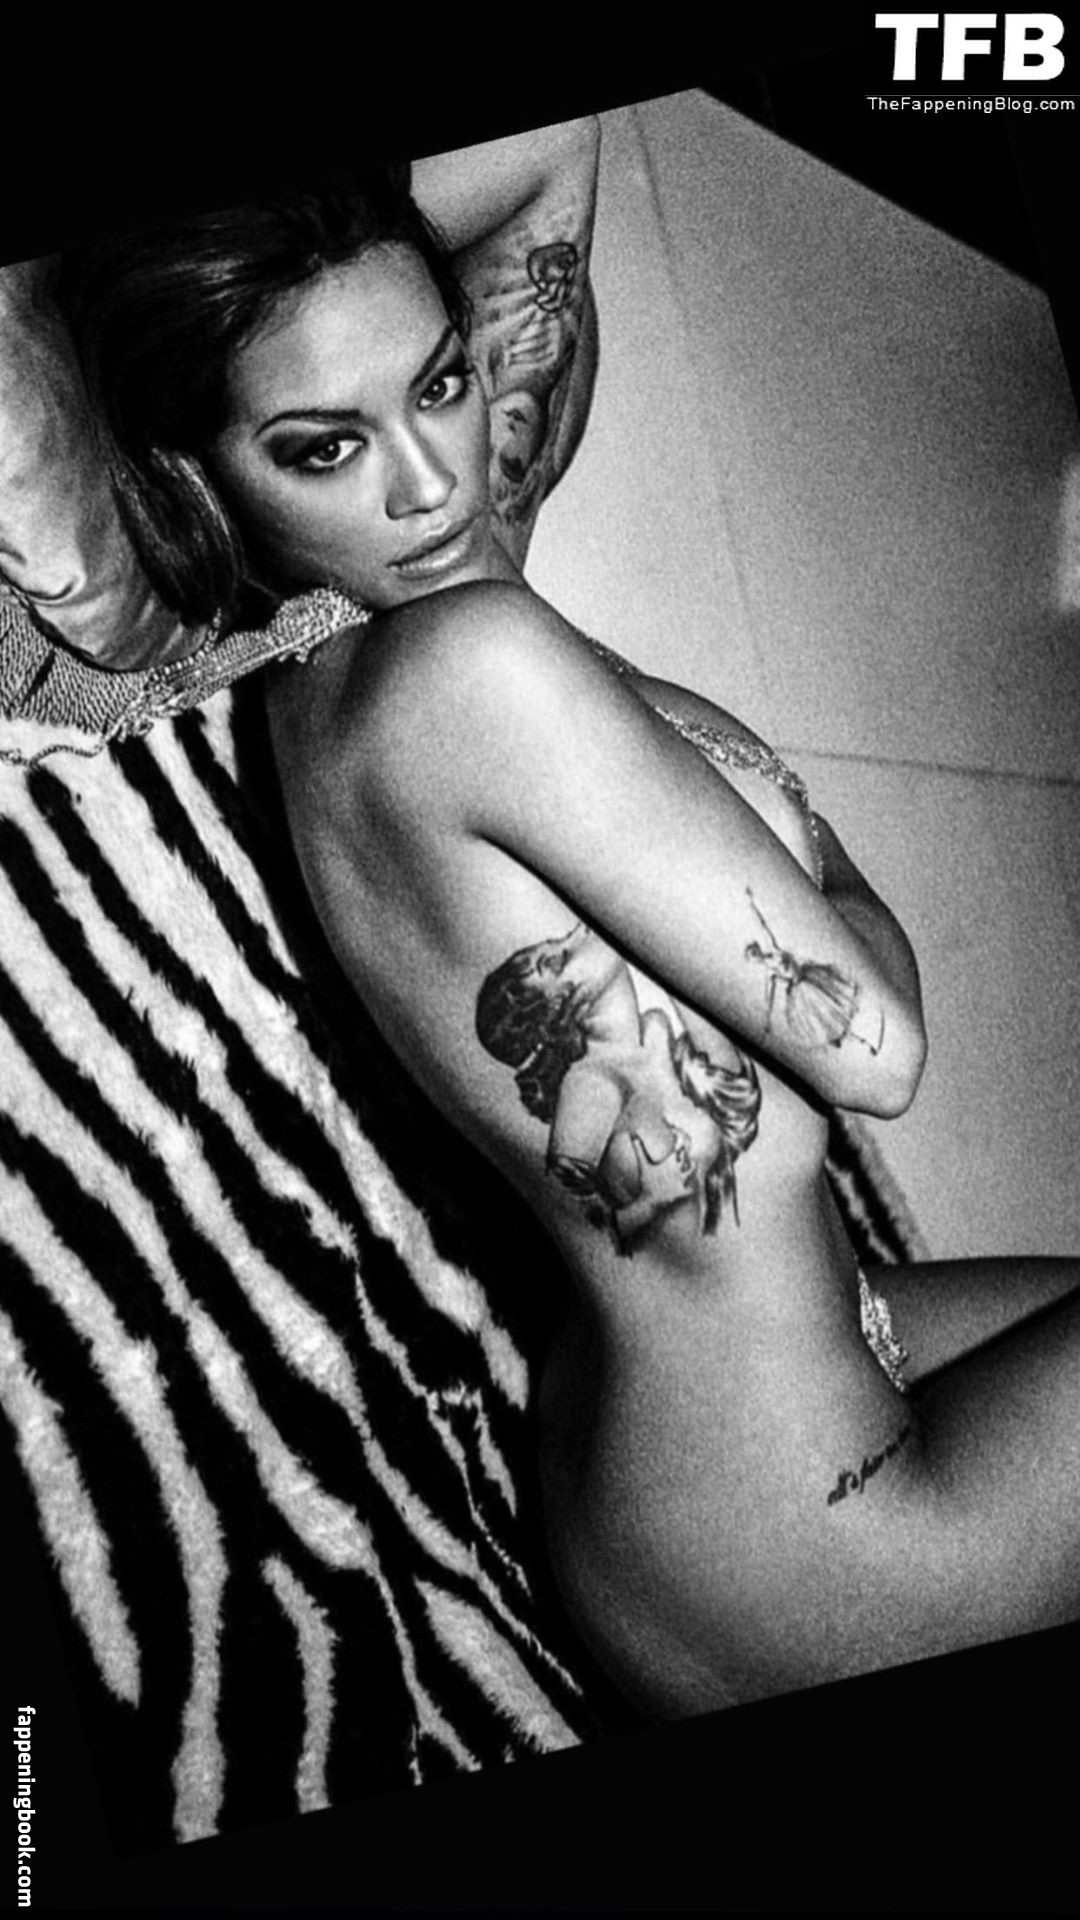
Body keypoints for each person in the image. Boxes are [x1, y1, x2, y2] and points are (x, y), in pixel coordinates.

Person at [57, 118, 1080, 1720]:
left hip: (701, 1444)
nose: (433, 481)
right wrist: (797, 838)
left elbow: (552, 143)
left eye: (441, 383)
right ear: (198, 474)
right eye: (322, 447)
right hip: (820, 1532)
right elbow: (877, 1048)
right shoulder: (472, 664)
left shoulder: (344, 657)